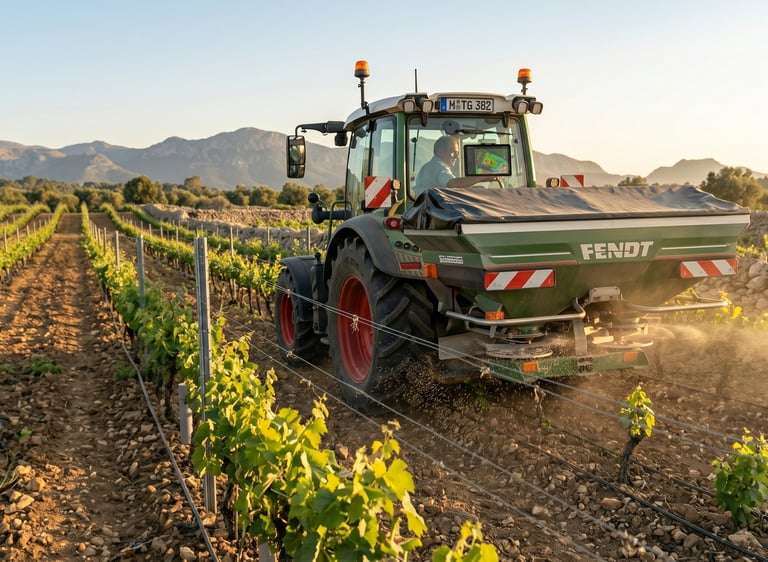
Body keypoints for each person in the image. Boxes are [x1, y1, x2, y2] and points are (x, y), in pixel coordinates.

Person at [414, 136, 493, 193]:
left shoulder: (429, 166)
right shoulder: (437, 166)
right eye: (453, 152)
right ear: (440, 152)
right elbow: (453, 184)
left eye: (458, 153)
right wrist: (483, 177)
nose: (457, 157)